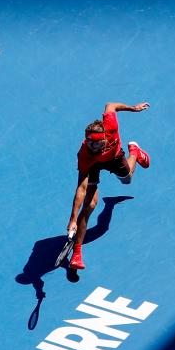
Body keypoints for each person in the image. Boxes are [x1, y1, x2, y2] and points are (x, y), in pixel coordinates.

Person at [66, 101, 151, 269]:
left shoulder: (110, 125)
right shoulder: (85, 154)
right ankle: (77, 255)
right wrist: (73, 219)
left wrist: (133, 108)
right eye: (88, 142)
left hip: (114, 157)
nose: (90, 146)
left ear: (104, 138)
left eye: (95, 143)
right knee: (89, 205)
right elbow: (81, 188)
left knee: (127, 179)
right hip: (93, 165)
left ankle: (135, 152)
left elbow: (111, 105)